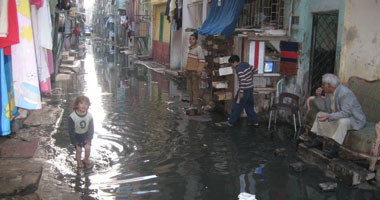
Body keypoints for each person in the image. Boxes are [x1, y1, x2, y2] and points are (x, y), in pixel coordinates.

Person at [305, 73, 366, 158]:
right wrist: (318, 96)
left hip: (354, 119)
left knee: (343, 122)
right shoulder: (329, 92)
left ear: (329, 85)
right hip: (339, 115)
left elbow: (346, 113)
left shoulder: (345, 93)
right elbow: (325, 109)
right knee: (320, 114)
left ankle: (335, 148)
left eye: (323, 84)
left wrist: (330, 116)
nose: (322, 86)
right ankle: (319, 140)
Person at [226, 55, 259, 127]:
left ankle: (231, 122)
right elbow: (256, 71)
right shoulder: (246, 64)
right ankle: (255, 121)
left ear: (235, 62)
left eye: (232, 64)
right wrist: (249, 75)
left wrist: (241, 92)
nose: (232, 66)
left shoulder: (238, 69)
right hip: (250, 89)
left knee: (237, 106)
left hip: (244, 90)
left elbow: (242, 81)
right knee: (249, 106)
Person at [68, 95, 94, 169]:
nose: (84, 105)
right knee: (79, 150)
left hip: (85, 135)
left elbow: (91, 129)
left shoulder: (89, 116)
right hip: (77, 136)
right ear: (77, 105)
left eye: (86, 104)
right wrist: (75, 142)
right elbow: (71, 131)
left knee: (88, 148)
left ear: (88, 105)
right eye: (81, 103)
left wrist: (89, 140)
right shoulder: (72, 117)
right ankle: (79, 162)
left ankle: (86, 159)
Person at [184, 33, 205, 110]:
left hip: (195, 73)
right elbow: (188, 61)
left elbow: (202, 61)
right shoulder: (190, 48)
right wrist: (185, 69)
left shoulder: (198, 48)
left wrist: (199, 71)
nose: (191, 40)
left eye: (193, 39)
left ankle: (195, 104)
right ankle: (191, 103)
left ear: (196, 40)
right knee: (189, 89)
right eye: (190, 39)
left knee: (195, 89)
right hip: (189, 72)